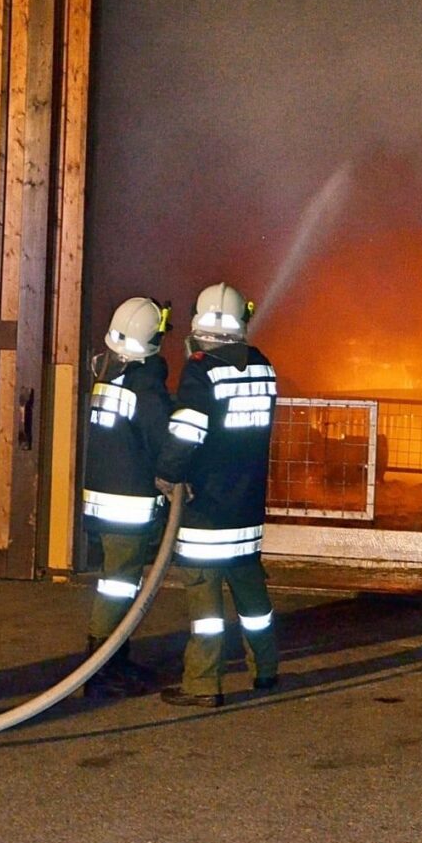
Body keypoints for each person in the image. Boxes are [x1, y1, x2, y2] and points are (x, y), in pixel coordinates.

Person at [154, 282, 279, 708]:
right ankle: (266, 669)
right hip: (246, 512)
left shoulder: (201, 370)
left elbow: (186, 431)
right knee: (253, 602)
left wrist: (168, 473)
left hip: (206, 512)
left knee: (205, 609)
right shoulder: (263, 366)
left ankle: (203, 685)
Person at [79, 296, 174, 699]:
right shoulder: (145, 387)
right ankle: (102, 669)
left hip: (101, 503)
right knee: (119, 586)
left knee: (115, 583)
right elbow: (163, 441)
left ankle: (114, 659)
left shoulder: (107, 379)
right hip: (128, 508)